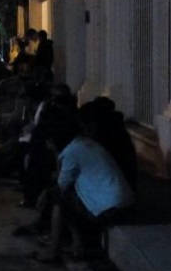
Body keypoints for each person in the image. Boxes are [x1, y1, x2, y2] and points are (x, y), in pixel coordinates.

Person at [34, 107, 135, 263]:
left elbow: (60, 185)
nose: (47, 145)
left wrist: (55, 154)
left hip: (110, 208)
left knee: (58, 199)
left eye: (49, 141)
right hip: (123, 202)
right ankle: (77, 245)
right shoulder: (85, 143)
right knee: (65, 197)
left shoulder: (71, 152)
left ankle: (53, 250)